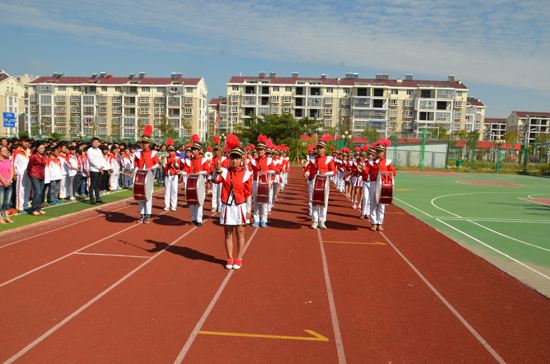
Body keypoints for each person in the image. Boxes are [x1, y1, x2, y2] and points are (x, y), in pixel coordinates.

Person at [212, 134, 253, 270]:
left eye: (237, 158)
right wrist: (215, 171)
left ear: (242, 160)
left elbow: (248, 194)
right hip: (227, 206)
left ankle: (239, 258)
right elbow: (214, 180)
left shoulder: (247, 174)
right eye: (232, 158)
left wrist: (248, 210)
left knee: (240, 233)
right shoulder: (223, 171)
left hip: (240, 206)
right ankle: (230, 258)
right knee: (227, 233)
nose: (234, 160)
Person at [304, 135, 336, 229]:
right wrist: (307, 172)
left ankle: (322, 221)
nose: (319, 149)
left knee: (323, 202)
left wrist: (325, 173)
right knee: (314, 201)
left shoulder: (329, 159)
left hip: (324, 182)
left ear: (324, 149)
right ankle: (314, 220)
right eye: (318, 147)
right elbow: (309, 168)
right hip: (313, 182)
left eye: (321, 147)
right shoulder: (313, 159)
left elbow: (334, 171)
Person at [133, 125, 159, 223]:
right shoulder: (137, 153)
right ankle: (142, 214)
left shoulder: (153, 153)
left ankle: (148, 215)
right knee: (140, 196)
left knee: (148, 196)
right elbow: (135, 165)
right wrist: (136, 171)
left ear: (149, 143)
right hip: (139, 176)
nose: (143, 145)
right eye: (142, 143)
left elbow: (157, 164)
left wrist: (150, 168)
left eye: (145, 143)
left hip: (149, 176)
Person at [182, 134, 209, 226]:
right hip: (190, 183)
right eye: (192, 149)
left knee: (199, 201)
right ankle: (193, 219)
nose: (193, 151)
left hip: (200, 183)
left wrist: (199, 172)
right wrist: (180, 172)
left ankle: (199, 219)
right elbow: (186, 171)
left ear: (199, 150)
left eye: (195, 150)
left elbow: (207, 171)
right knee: (191, 202)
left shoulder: (204, 160)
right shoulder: (188, 160)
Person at [369, 140, 396, 231]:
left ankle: (379, 223)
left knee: (381, 204)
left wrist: (385, 172)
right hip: (373, 183)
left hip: (383, 184)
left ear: (384, 152)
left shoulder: (387, 162)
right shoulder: (371, 161)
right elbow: (365, 171)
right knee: (373, 203)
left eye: (380, 151)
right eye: (377, 151)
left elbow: (393, 172)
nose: (378, 153)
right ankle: (373, 223)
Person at [249, 135, 275, 228]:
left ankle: (264, 220)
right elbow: (248, 171)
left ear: (264, 150)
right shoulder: (253, 160)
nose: (260, 151)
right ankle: (256, 220)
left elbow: (274, 170)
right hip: (256, 182)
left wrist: (267, 172)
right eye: (258, 150)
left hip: (265, 182)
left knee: (264, 201)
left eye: (262, 150)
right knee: (255, 201)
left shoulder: (269, 160)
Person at [27, 143, 47, 216]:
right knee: (37, 192)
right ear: (37, 149)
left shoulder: (44, 156)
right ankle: (34, 209)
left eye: (43, 148)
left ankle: (39, 208)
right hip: (34, 175)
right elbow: (29, 166)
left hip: (42, 175)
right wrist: (30, 174)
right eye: (41, 148)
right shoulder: (33, 156)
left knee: (40, 193)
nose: (43, 149)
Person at [13, 137, 32, 212]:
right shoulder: (17, 151)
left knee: (27, 190)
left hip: (29, 173)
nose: (26, 143)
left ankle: (25, 205)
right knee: (20, 190)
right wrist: (14, 173)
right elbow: (13, 164)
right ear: (21, 142)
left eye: (28, 142)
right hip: (20, 173)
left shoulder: (30, 151)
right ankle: (19, 207)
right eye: (25, 142)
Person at [86, 137, 105, 205]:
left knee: (97, 185)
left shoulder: (99, 150)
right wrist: (98, 167)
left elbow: (102, 159)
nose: (96, 143)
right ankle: (92, 199)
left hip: (100, 169)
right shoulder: (90, 150)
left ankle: (98, 198)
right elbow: (92, 160)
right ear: (92, 143)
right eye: (94, 142)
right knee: (93, 185)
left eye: (97, 142)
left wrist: (102, 166)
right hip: (94, 169)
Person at [163, 139, 180, 211]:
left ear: (174, 151)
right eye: (169, 151)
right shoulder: (166, 158)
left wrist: (175, 162)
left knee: (174, 190)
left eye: (172, 151)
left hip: (174, 175)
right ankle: (167, 205)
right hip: (167, 175)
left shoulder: (177, 158)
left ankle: (173, 205)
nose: (170, 152)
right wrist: (163, 163)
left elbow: (178, 167)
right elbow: (164, 168)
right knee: (167, 191)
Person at [0, 146, 15, 223]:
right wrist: (4, 181)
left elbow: (11, 171)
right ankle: (0, 218)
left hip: (9, 183)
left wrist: (9, 180)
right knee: (1, 201)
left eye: (7, 150)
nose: (6, 152)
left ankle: (7, 216)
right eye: (4, 150)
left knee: (7, 201)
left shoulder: (9, 160)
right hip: (1, 184)